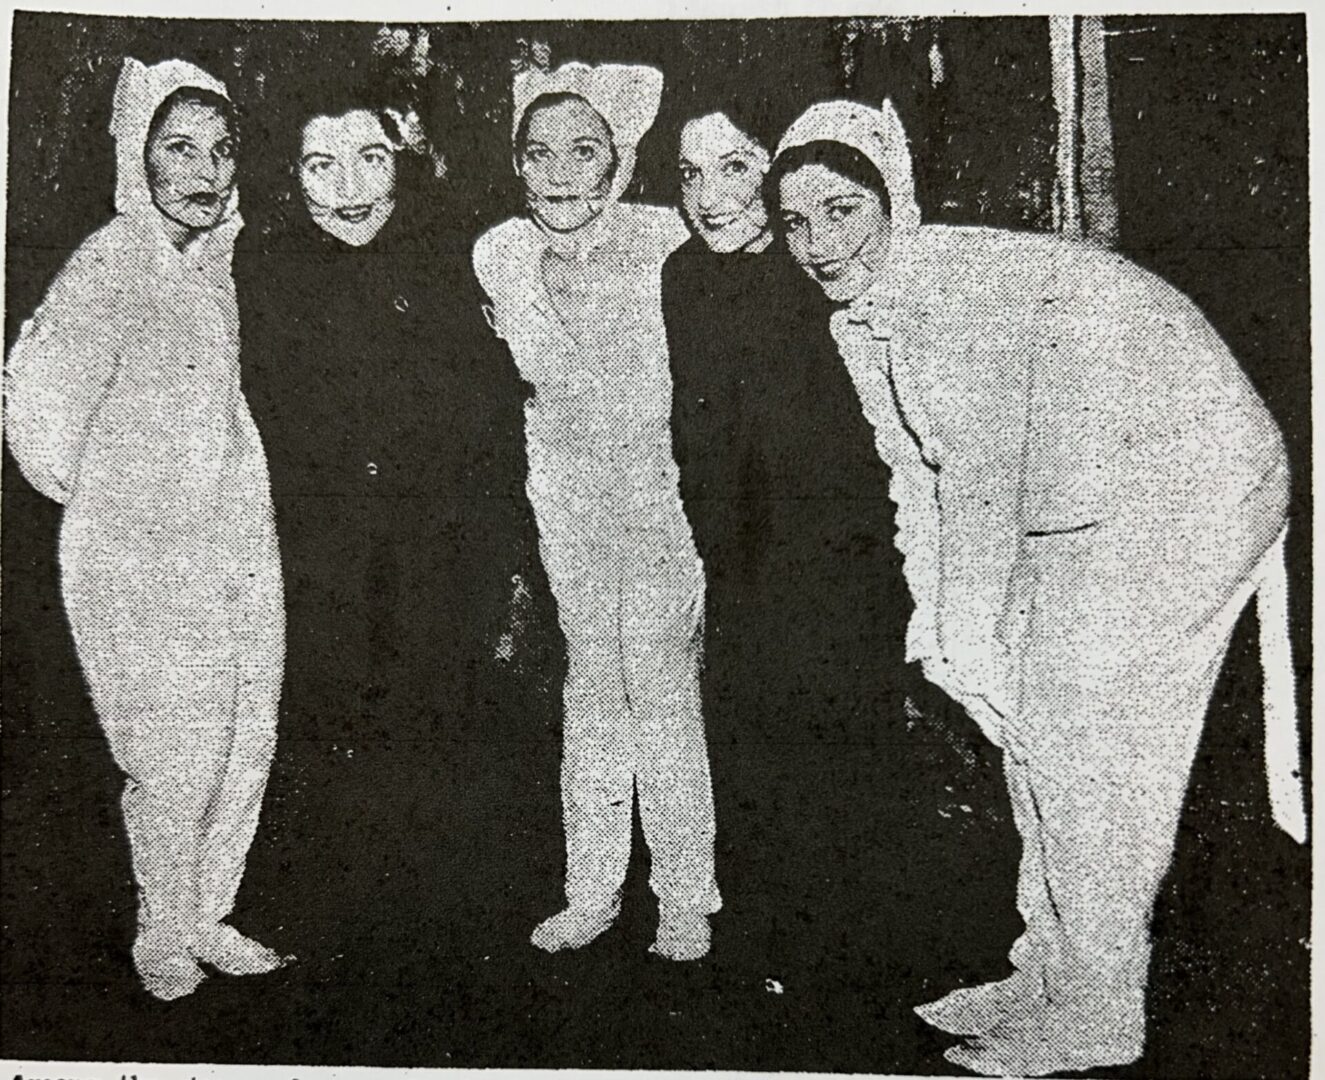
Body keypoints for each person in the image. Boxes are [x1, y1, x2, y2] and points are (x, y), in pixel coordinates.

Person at [770, 98, 1306, 1076]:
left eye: (840, 210)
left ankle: (1102, 1006)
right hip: (1074, 494)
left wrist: (971, 636)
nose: (815, 243)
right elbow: (914, 477)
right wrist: (936, 628)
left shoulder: (947, 293)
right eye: (795, 221)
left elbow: (978, 484)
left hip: (1186, 480)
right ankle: (1049, 969)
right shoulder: (863, 315)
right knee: (1032, 725)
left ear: (894, 202)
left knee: (1079, 733)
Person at [236, 84, 560, 952]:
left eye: (371, 160)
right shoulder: (257, 270)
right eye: (321, 164)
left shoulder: (453, 257)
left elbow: (499, 412)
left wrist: (496, 558)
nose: (351, 188)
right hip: (315, 555)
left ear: (402, 165)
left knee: (438, 721)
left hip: (439, 549)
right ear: (287, 175)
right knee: (328, 722)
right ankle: (332, 923)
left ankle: (443, 923)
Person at [4, 57, 285, 1002]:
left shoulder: (214, 263)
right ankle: (160, 931)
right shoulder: (109, 263)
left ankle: (209, 913)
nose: (204, 169)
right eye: (180, 148)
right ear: (140, 157)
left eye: (221, 149)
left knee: (246, 732)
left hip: (233, 534)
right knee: (174, 746)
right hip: (141, 549)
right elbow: (38, 415)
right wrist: (121, 507)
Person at [661, 99, 925, 974]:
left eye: (734, 168)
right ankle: (774, 944)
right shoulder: (683, 277)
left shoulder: (820, 270)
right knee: (751, 742)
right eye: (689, 174)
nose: (709, 196)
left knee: (851, 743)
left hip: (847, 553)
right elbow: (697, 430)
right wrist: (720, 549)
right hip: (742, 557)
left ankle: (866, 944)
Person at [473, 61, 721, 961]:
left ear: (621, 159)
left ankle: (686, 897)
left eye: (585, 151)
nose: (561, 173)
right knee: (592, 686)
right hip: (567, 503)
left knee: (660, 688)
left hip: (662, 500)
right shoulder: (497, 251)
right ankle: (591, 891)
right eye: (538, 154)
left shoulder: (668, 239)